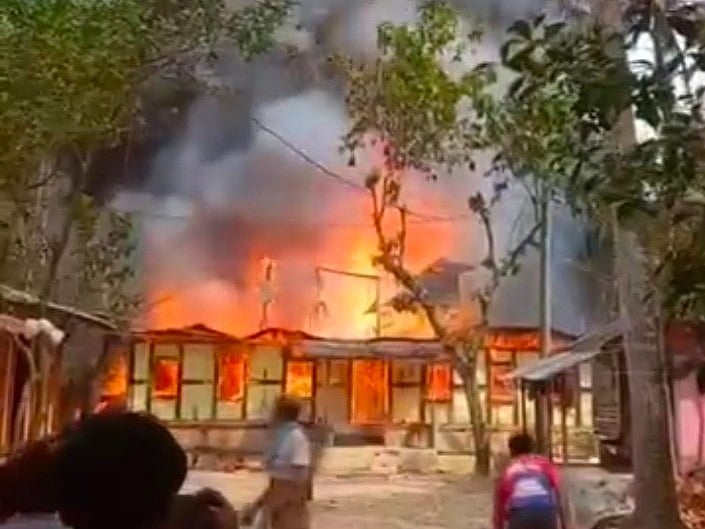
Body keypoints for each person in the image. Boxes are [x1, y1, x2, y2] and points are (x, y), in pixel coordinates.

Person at [242, 395, 311, 529]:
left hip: (290, 510)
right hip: (278, 506)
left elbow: (299, 477)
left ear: (281, 414)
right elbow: (276, 484)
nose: (270, 416)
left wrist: (278, 504)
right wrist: (258, 507)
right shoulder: (280, 439)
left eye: (273, 411)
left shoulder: (296, 438)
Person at [493, 432, 567, 529]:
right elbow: (559, 494)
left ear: (512, 451)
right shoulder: (545, 465)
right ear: (533, 449)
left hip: (520, 513)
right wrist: (564, 523)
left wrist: (499, 525)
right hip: (546, 512)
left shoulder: (510, 470)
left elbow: (500, 505)